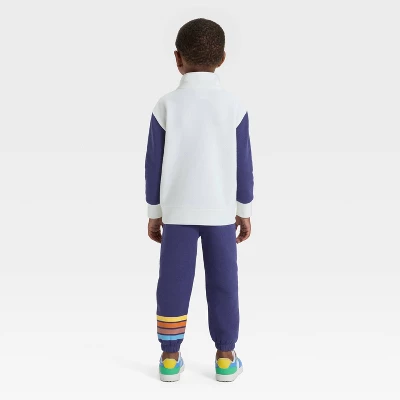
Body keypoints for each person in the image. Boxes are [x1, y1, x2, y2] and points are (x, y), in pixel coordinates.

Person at [145, 17, 254, 382]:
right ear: (222, 58)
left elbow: (153, 165)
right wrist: (244, 210)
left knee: (173, 282)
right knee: (224, 283)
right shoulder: (233, 106)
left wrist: (154, 213)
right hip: (221, 213)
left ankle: (170, 358)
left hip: (176, 213)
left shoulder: (166, 105)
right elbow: (243, 164)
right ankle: (225, 357)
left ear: (178, 58)